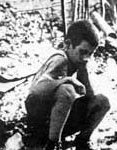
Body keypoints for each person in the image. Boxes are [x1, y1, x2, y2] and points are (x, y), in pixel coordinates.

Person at [25, 20, 110, 150]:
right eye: (82, 52)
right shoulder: (60, 59)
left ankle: (82, 141)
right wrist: (67, 80)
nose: (87, 57)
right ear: (68, 44)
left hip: (58, 119)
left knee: (102, 101)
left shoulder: (77, 61)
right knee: (67, 90)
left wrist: (83, 72)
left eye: (90, 54)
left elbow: (89, 97)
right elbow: (35, 90)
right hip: (39, 119)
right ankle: (53, 144)